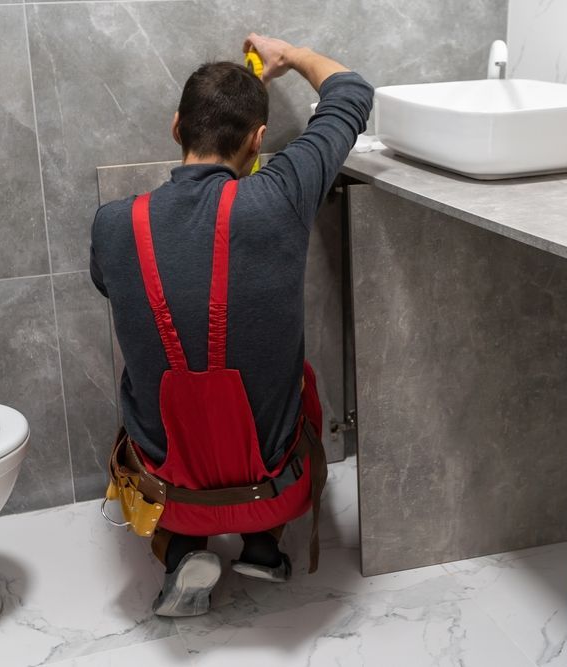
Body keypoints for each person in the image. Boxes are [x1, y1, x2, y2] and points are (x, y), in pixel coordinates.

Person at [90, 33, 373, 617]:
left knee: (145, 380)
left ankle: (182, 551)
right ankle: (262, 544)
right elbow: (351, 92)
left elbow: (108, 287)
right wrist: (289, 56)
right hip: (276, 484)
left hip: (167, 489)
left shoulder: (113, 225)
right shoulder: (281, 196)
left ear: (176, 127)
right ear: (259, 140)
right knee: (292, 378)